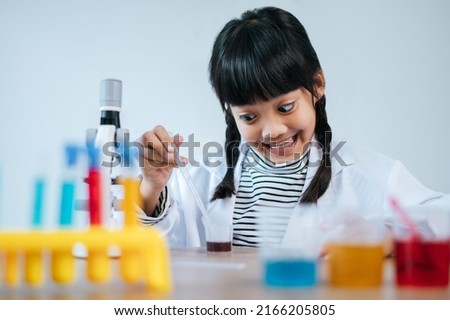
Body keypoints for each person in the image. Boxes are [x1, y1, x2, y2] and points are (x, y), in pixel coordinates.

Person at [135, 6, 450, 248]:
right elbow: (138, 244)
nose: (272, 130)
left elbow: (442, 217)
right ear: (230, 112)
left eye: (285, 107)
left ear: (317, 84)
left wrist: (385, 236)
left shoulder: (367, 174)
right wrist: (151, 186)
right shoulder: (201, 176)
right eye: (249, 117)